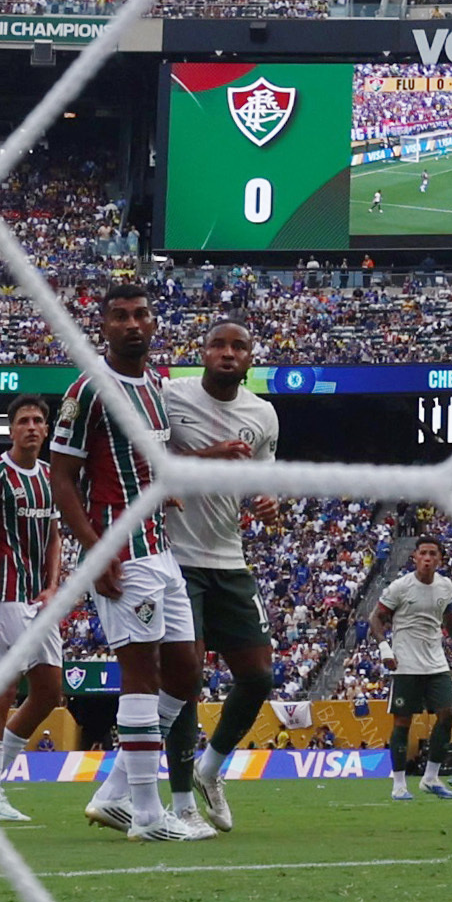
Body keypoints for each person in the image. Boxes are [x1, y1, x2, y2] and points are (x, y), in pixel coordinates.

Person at [46, 282, 210, 844]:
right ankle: (146, 814)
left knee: (187, 668)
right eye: (120, 316)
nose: (133, 324)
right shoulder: (89, 391)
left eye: (141, 314)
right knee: (140, 673)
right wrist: (97, 550)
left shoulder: (155, 387)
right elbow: (61, 480)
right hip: (122, 548)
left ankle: (115, 793)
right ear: (104, 327)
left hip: (159, 546)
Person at [161, 321, 284, 834]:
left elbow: (260, 482)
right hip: (175, 557)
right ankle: (183, 801)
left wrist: (268, 502)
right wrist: (209, 454)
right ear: (203, 353)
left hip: (229, 560)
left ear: (250, 359)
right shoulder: (171, 398)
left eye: (238, 347)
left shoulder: (262, 415)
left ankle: (211, 768)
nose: (228, 353)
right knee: (185, 677)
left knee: (258, 676)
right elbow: (146, 464)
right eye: (218, 345)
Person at [0, 394, 68, 822]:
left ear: (46, 429)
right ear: (11, 430)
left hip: (38, 600)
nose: (31, 427)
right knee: (1, 691)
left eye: (38, 420)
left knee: (48, 692)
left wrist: (53, 585)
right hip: (4, 598)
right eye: (23, 420)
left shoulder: (50, 475)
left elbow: (56, 535)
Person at [372, 535, 452, 802]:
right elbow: (375, 617)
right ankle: (399, 785)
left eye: (432, 553)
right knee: (403, 722)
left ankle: (430, 777)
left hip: (436, 662)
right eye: (422, 552)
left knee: (448, 714)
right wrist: (384, 648)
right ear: (414, 556)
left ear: (440, 559)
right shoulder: (400, 587)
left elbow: (449, 618)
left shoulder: (446, 586)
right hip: (405, 664)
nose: (427, 558)